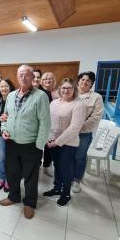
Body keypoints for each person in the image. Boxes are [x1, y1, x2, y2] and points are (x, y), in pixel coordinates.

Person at [0, 65, 51, 219]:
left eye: (27, 75)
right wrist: (3, 130)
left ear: (32, 77)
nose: (23, 77)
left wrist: (39, 145)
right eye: (20, 75)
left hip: (31, 144)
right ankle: (14, 196)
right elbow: (5, 116)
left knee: (30, 175)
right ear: (17, 77)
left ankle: (29, 203)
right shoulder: (11, 95)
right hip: (11, 142)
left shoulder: (40, 96)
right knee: (12, 172)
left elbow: (45, 123)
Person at [43, 78, 86, 206]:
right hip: (52, 141)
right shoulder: (54, 103)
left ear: (74, 90)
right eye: (63, 88)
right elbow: (48, 121)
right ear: (60, 89)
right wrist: (48, 138)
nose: (66, 90)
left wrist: (57, 142)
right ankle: (57, 188)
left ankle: (66, 193)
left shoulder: (79, 105)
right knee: (57, 166)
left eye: (69, 88)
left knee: (66, 169)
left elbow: (74, 128)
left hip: (68, 143)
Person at [72, 71, 103, 193]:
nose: (84, 82)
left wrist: (78, 128)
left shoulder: (96, 97)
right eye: (82, 79)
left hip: (84, 133)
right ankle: (68, 176)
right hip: (68, 132)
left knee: (79, 156)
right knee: (69, 155)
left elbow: (96, 117)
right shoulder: (71, 93)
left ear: (91, 84)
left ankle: (77, 180)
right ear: (78, 81)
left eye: (88, 81)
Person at [41, 72, 58, 175]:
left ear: (54, 80)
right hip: (41, 123)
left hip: (54, 124)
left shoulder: (58, 92)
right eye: (45, 78)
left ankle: (47, 166)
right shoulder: (39, 91)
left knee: (50, 146)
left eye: (50, 78)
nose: (47, 80)